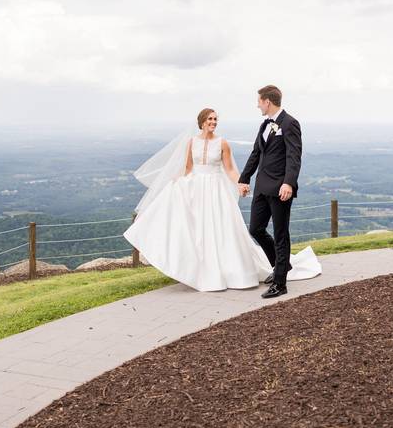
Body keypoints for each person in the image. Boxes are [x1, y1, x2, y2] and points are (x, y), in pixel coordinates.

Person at [124, 104, 320, 293]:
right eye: (210, 119)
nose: (213, 122)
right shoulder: (191, 142)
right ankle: (200, 270)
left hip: (215, 190)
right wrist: (175, 183)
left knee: (220, 228)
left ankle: (244, 270)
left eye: (215, 119)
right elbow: (187, 168)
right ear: (201, 122)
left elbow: (229, 169)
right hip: (196, 188)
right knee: (197, 230)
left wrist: (240, 183)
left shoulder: (222, 143)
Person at [238, 85, 302, 298]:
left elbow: (294, 156)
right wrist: (244, 178)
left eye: (259, 101)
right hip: (261, 187)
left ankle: (280, 283)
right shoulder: (264, 124)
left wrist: (289, 183)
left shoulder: (290, 123)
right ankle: (281, 265)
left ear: (267, 101)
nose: (257, 105)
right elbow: (256, 153)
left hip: (280, 189)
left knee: (281, 233)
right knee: (255, 229)